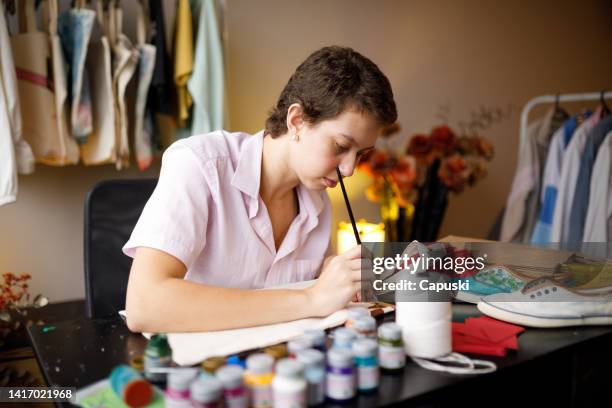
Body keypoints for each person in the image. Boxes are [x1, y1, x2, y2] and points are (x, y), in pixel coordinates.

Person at [123, 46, 397, 333]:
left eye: (362, 154)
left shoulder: (317, 198)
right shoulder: (199, 165)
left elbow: (317, 287)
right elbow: (145, 305)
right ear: (297, 121)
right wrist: (309, 298)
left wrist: (333, 275)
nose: (349, 169)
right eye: (341, 147)